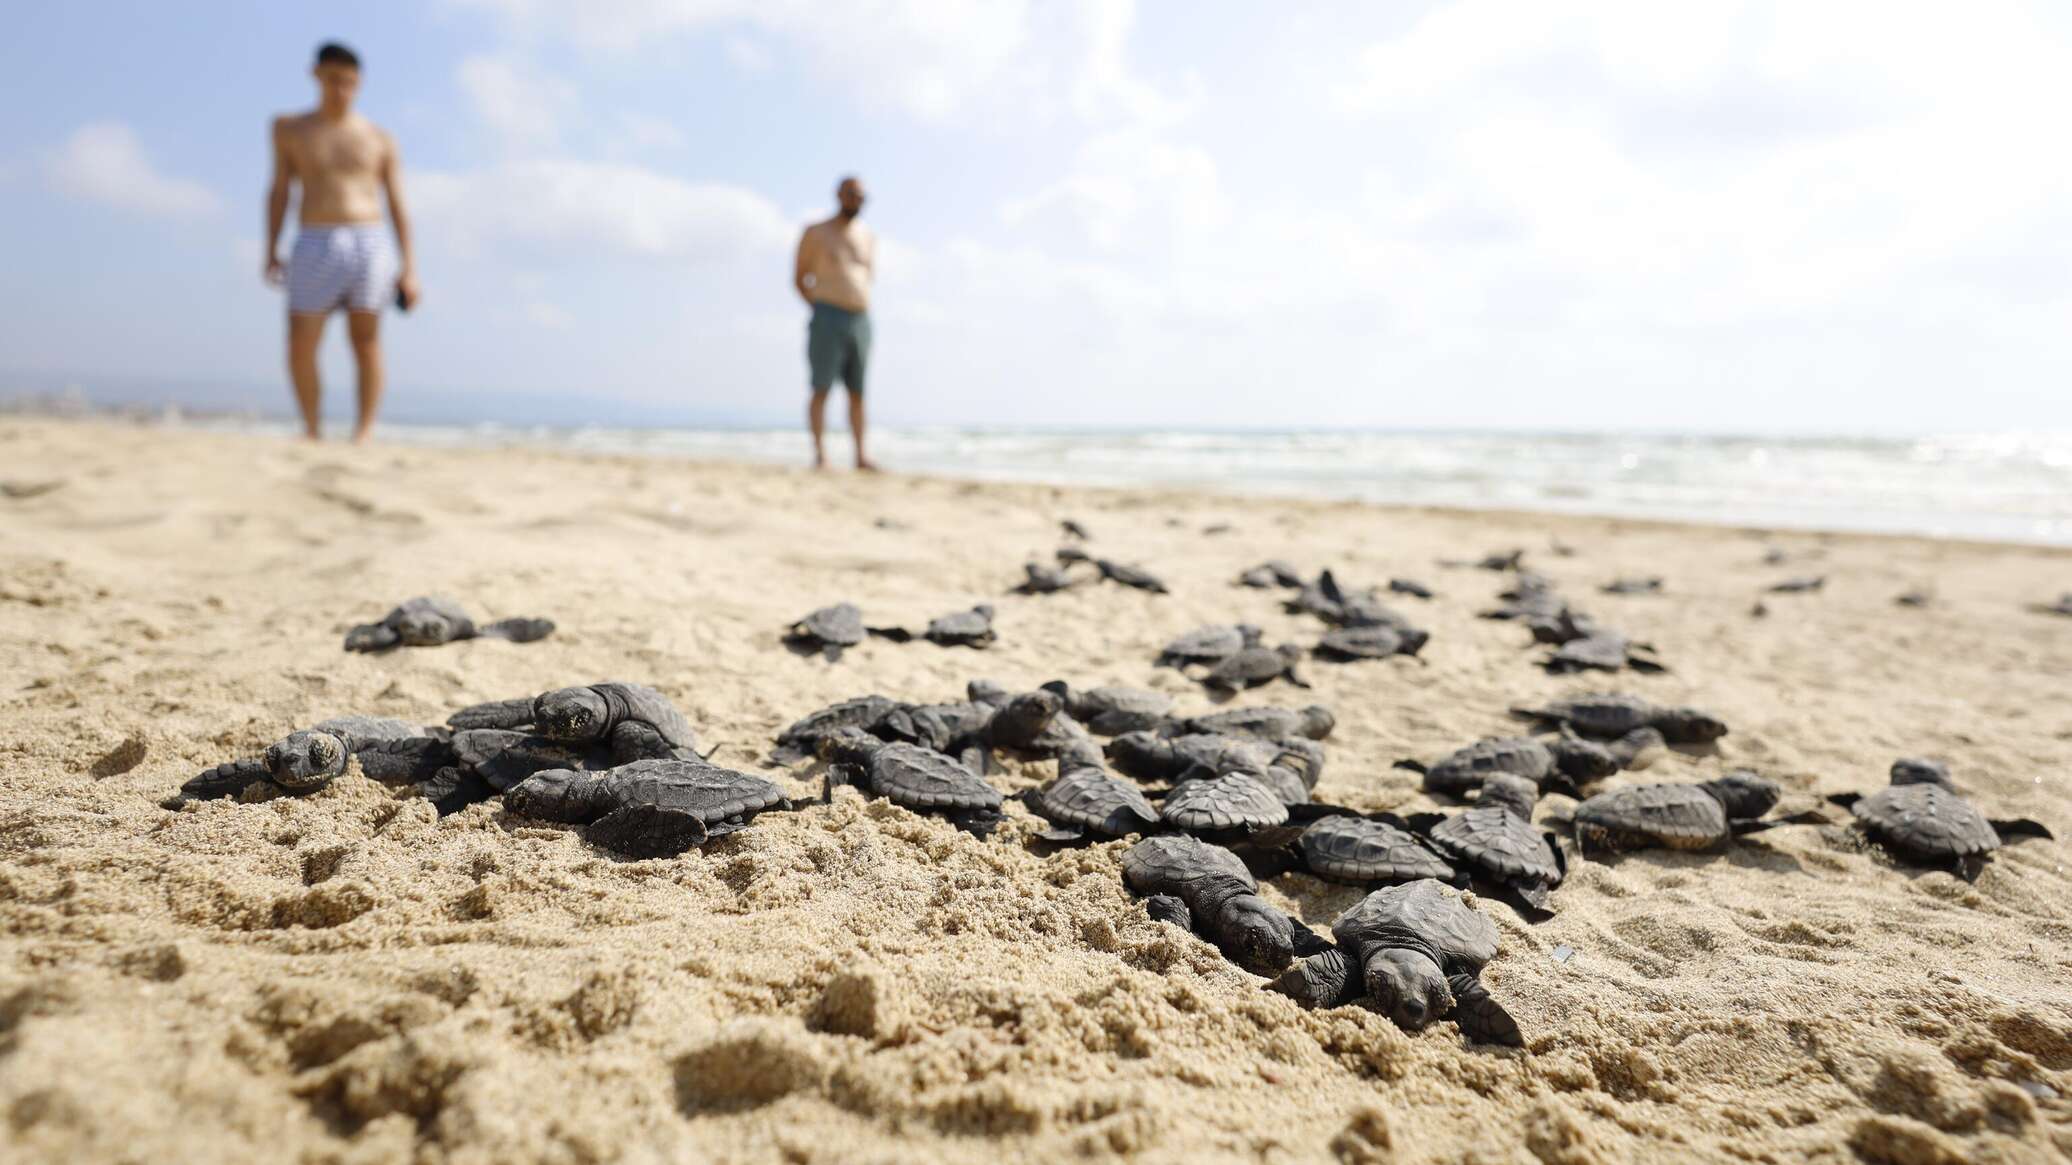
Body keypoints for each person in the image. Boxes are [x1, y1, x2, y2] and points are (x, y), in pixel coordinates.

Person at [263, 42, 418, 443]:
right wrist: (270, 248)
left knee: (366, 341)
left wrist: (410, 268)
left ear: (359, 83)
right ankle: (311, 428)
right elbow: (280, 190)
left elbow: (398, 202)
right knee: (301, 340)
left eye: (349, 82)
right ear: (317, 76)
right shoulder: (290, 129)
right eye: (334, 80)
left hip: (370, 238)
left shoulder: (379, 137)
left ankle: (363, 432)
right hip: (314, 236)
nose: (341, 90)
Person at [794, 176, 877, 471]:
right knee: (822, 387)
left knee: (858, 391)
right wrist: (821, 307)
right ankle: (820, 456)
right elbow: (800, 277)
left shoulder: (867, 235)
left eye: (862, 197)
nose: (857, 201)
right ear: (839, 195)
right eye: (853, 195)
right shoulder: (816, 232)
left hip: (860, 317)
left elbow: (869, 275)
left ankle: (861, 456)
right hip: (827, 314)